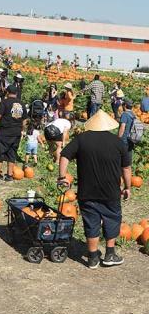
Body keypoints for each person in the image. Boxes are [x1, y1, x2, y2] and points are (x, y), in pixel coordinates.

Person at [59, 110, 132, 268]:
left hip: (87, 191)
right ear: (108, 126)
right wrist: (127, 187)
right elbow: (126, 168)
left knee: (91, 222)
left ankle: (92, 257)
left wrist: (62, 176)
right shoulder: (118, 142)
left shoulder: (81, 140)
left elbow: (64, 155)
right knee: (112, 219)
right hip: (111, 191)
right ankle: (110, 255)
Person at [0, 85, 26, 181]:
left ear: (7, 92)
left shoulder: (4, 102)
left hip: (5, 132)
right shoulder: (22, 104)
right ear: (16, 93)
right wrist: (22, 130)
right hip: (16, 132)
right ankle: (9, 175)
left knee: (0, 152)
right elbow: (24, 121)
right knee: (12, 153)